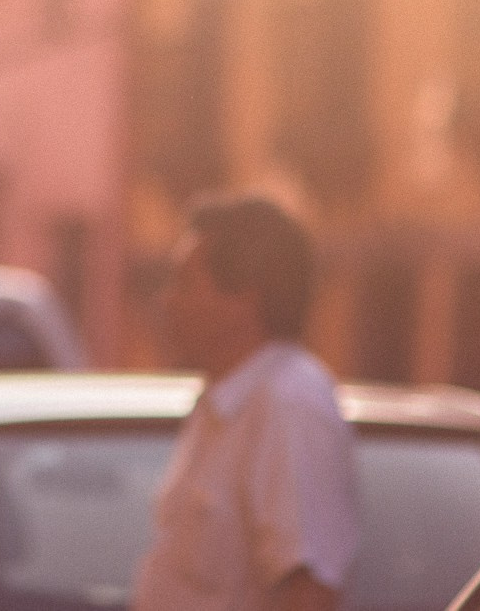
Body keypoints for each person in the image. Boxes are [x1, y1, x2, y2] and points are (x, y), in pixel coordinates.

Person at [131, 194, 359, 611]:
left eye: (185, 282)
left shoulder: (288, 404)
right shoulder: (221, 406)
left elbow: (308, 593)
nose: (167, 302)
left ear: (245, 300)